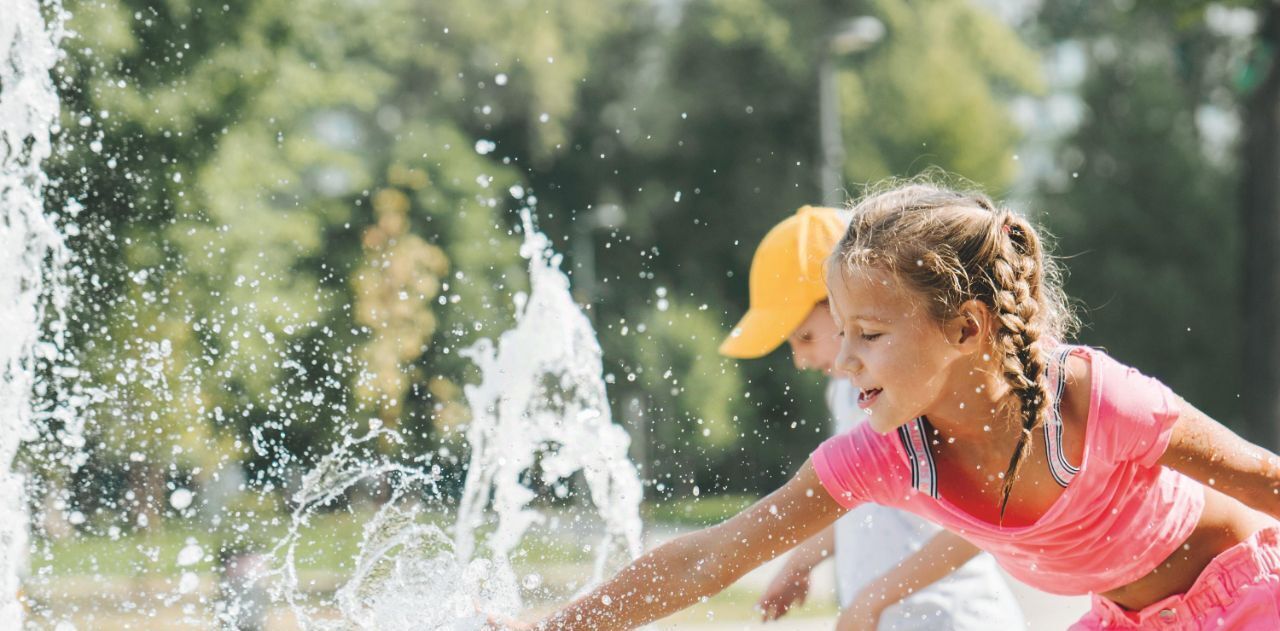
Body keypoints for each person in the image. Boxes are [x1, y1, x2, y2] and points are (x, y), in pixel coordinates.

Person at [507, 179, 1280, 631]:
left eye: (868, 334)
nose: (844, 361)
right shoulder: (883, 452)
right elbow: (712, 555)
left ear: (965, 327)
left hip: (1245, 593)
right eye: (839, 332)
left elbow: (1261, 478)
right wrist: (555, 626)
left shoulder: (1081, 398)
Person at [717, 205, 1023, 629]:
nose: (801, 359)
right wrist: (801, 562)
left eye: (805, 336)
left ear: (847, 303)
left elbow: (983, 523)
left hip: (953, 618)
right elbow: (864, 501)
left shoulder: (909, 394)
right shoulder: (851, 394)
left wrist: (875, 598)